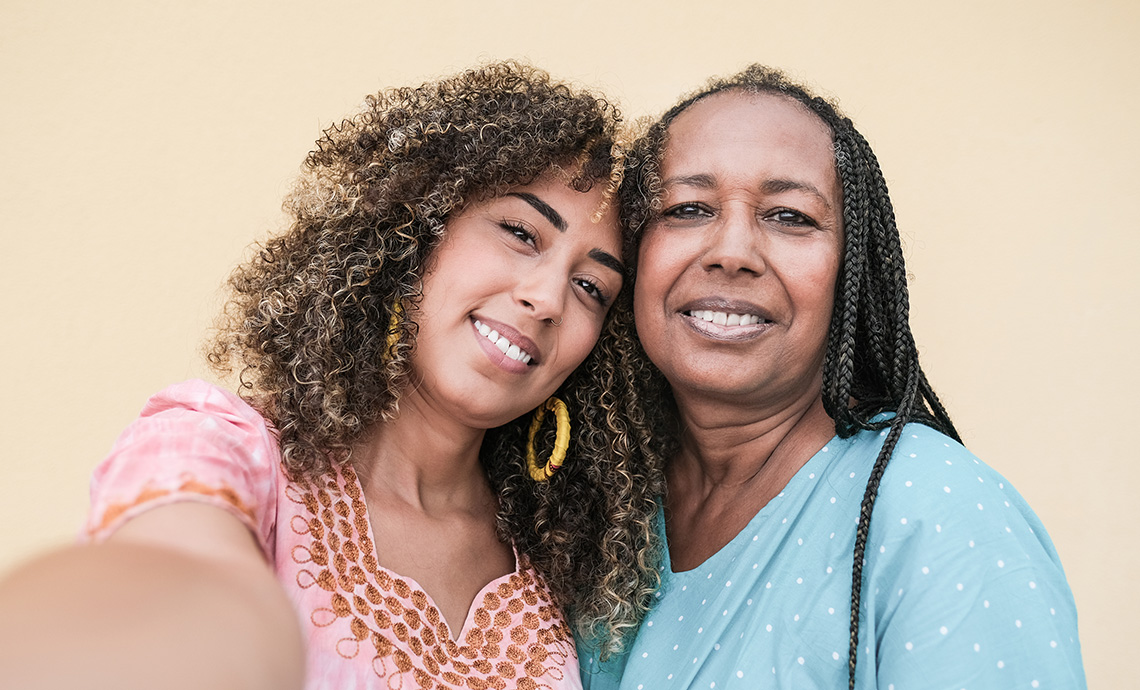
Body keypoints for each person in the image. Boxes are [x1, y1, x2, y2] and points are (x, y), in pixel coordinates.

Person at [0, 61, 663, 690]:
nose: (547, 299)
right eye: (520, 232)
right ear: (412, 234)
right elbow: (179, 578)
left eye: (590, 286)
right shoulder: (220, 447)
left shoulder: (570, 567)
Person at [579, 65, 1086, 689]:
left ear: (853, 269)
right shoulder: (596, 505)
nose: (731, 251)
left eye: (790, 217)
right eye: (686, 208)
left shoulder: (940, 515)